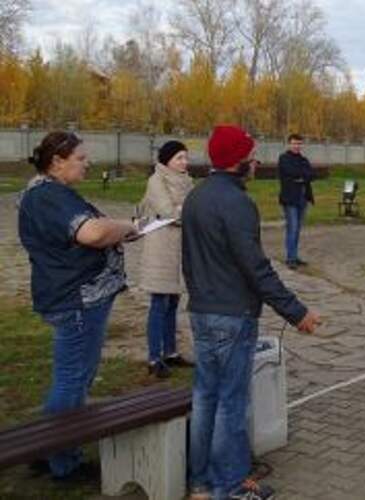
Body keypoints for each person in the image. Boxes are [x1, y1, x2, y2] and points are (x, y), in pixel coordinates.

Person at [183, 125, 321, 500]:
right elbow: (256, 267)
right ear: (238, 162)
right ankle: (227, 486)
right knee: (231, 403)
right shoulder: (238, 203)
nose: (256, 161)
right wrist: (296, 312)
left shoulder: (195, 197)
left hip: (202, 311)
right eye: (251, 154)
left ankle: (200, 484)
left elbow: (192, 260)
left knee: (205, 398)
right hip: (231, 315)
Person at [17, 131, 138, 479]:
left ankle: (51, 446)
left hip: (74, 296)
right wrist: (127, 226)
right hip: (76, 300)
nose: (88, 164)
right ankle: (62, 460)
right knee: (72, 380)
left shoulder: (49, 193)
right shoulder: (48, 196)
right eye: (81, 159)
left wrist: (118, 230)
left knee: (74, 377)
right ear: (57, 162)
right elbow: (93, 233)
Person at [139, 140, 194, 378]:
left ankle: (170, 352)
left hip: (180, 248)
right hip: (161, 248)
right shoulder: (156, 180)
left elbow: (191, 209)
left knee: (173, 302)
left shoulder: (187, 181)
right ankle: (154, 357)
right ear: (167, 159)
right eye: (179, 157)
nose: (184, 162)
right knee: (159, 303)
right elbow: (168, 212)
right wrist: (184, 210)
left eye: (185, 157)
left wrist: (183, 209)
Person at [277, 133, 314, 269]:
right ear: (289, 144)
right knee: (292, 228)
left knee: (297, 229)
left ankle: (294, 255)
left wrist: (301, 178)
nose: (297, 146)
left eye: (299, 143)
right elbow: (290, 172)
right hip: (290, 199)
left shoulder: (304, 160)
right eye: (294, 143)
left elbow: (311, 174)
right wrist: (303, 176)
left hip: (303, 198)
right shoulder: (284, 158)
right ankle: (290, 258)